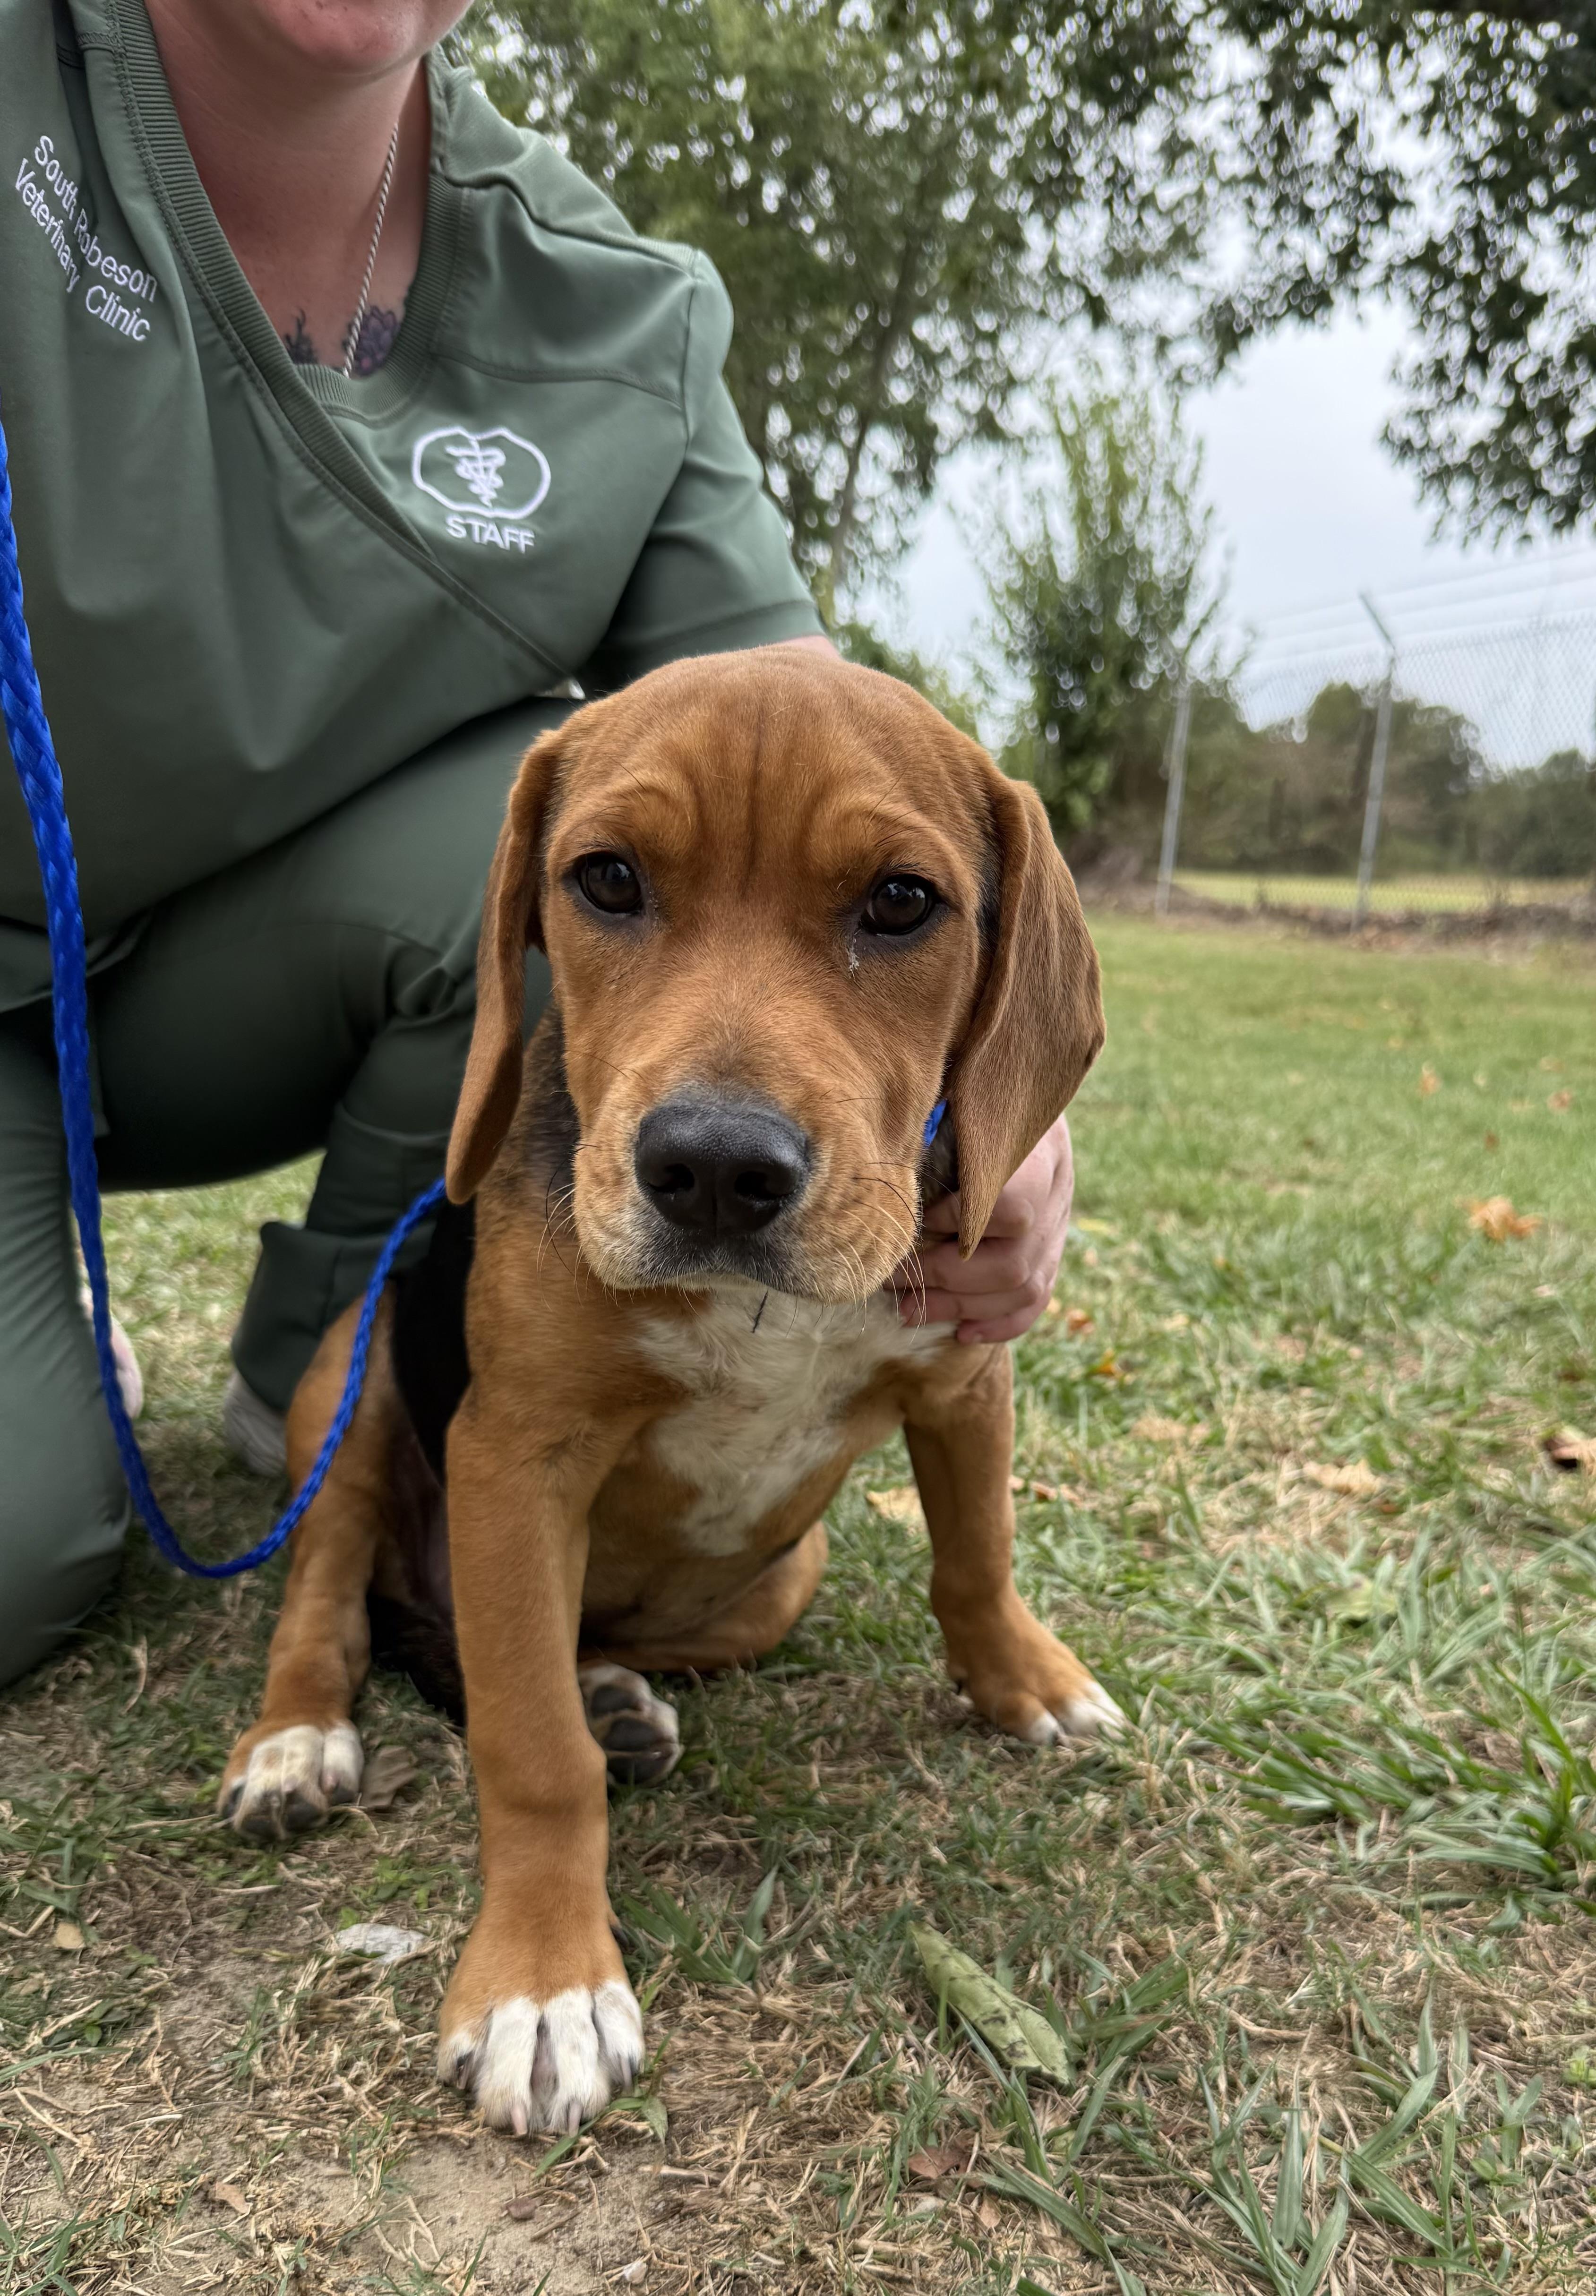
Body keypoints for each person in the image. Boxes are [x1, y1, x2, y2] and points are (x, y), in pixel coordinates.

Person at [0, 0, 1078, 1690]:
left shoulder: (614, 305)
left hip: (195, 1005)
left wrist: (1006, 1114)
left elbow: (811, 751)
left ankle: (332, 1366)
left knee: (621, 802)